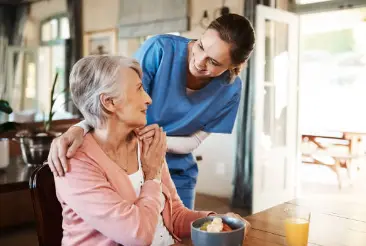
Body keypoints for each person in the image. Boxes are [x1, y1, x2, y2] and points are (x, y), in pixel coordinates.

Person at [48, 13, 256, 209]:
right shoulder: (160, 50)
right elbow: (113, 99)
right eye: (200, 46)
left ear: (234, 65)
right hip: (126, 164)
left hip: (176, 172)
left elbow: (193, 142)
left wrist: (153, 143)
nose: (199, 61)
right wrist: (79, 128)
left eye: (214, 61)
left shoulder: (230, 91)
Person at [54, 55, 250, 246]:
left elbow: (175, 216)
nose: (148, 99)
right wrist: (152, 176)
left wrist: (216, 222)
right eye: (139, 89)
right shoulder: (75, 163)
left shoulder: (144, 144)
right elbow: (138, 236)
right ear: (109, 102)